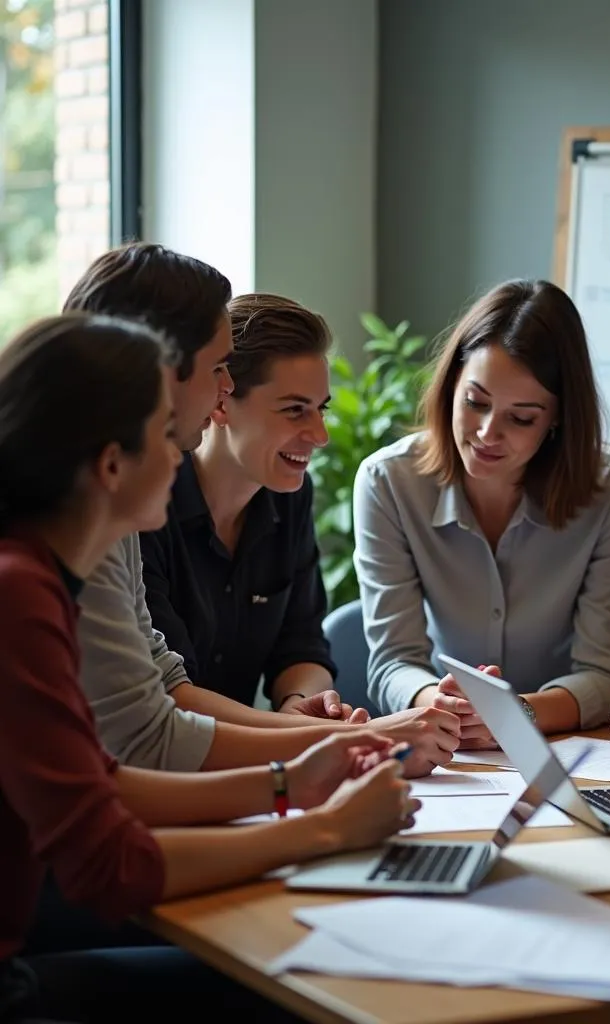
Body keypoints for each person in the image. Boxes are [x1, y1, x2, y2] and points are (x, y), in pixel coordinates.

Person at [0, 314, 416, 1023]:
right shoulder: (18, 594)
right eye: (167, 433)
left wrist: (289, 783)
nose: (182, 451)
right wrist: (324, 830)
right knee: (286, 987)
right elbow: (110, 867)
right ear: (109, 466)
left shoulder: (34, 574)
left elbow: (98, 785)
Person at [63, 245, 458, 778]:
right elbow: (155, 727)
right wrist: (345, 746)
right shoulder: (117, 507)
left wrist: (311, 719)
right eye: (218, 369)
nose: (319, 435)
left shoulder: (271, 498)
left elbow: (274, 650)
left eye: (320, 409)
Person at [354, 279, 610, 744]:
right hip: (450, 740)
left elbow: (604, 672)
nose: (488, 432)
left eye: (521, 417)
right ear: (451, 385)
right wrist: (440, 703)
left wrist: (516, 715)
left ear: (558, 418)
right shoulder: (388, 482)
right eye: (475, 402)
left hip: (564, 747)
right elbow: (394, 661)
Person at [139, 293, 353, 713]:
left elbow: (302, 642)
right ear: (221, 401)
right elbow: (166, 695)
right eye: (295, 410)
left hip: (250, 756)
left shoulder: (290, 496)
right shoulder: (145, 506)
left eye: (320, 410)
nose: (320, 435)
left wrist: (302, 704)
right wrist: (296, 736)